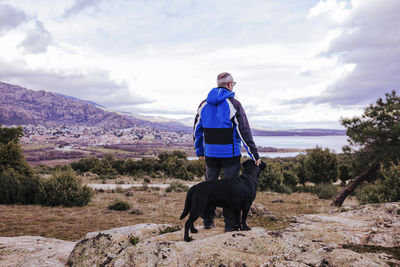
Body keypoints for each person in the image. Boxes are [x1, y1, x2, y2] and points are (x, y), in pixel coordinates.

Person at [193, 72, 261, 231]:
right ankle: (230, 225)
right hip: (230, 156)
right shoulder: (234, 104)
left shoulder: (203, 104)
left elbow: (197, 129)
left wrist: (199, 150)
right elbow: (244, 131)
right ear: (230, 85)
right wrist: (254, 154)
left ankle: (208, 221)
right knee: (231, 191)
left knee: (209, 187)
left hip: (210, 154)